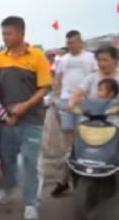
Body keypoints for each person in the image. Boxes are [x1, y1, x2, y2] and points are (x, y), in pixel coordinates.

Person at [0, 16, 52, 220]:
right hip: (8, 121)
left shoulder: (37, 56)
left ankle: (31, 203)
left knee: (30, 162)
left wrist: (23, 107)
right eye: (3, 34)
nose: (5, 37)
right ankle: (7, 190)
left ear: (21, 33)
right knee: (6, 160)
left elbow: (44, 88)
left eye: (8, 33)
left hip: (32, 120)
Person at [51, 30, 98, 197]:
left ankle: (85, 175)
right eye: (68, 43)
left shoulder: (91, 58)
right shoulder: (63, 60)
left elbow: (96, 77)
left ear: (80, 42)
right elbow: (58, 78)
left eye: (73, 42)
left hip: (86, 102)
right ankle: (68, 177)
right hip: (66, 101)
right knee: (70, 144)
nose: (70, 45)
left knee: (86, 138)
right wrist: (55, 97)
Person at [68, 46, 119, 112]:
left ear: (115, 60)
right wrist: (71, 104)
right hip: (92, 118)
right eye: (99, 60)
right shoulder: (91, 78)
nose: (102, 64)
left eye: (105, 60)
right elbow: (77, 94)